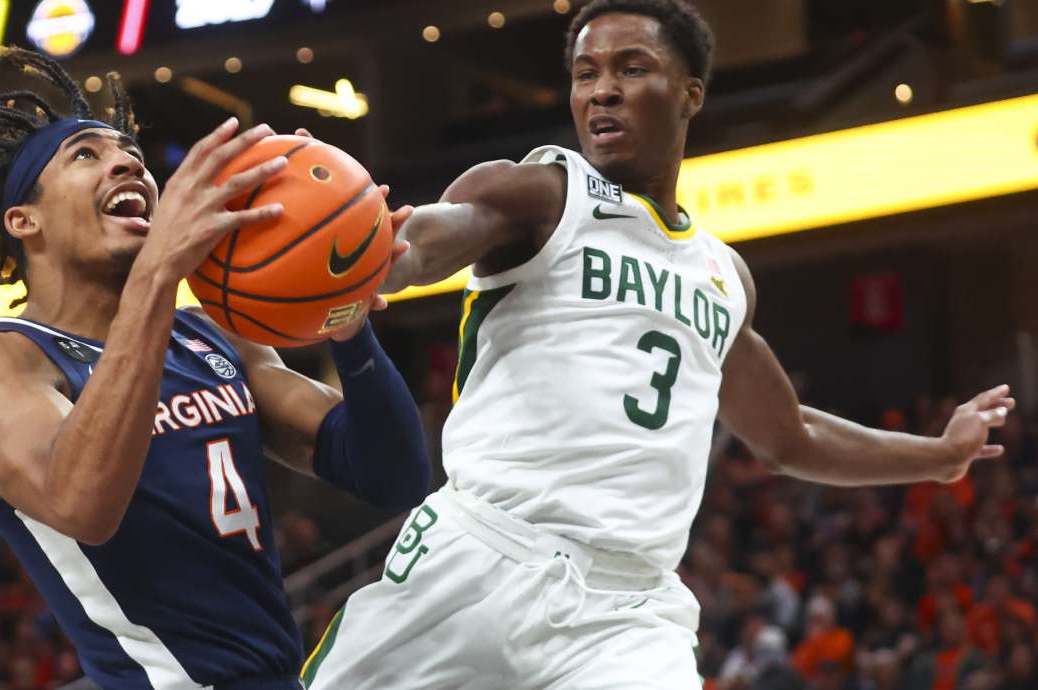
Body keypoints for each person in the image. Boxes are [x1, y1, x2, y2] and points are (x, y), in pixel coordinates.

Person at [300, 1, 1015, 688]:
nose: (602, 91)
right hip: (483, 554)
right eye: (586, 74)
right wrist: (378, 254)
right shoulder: (541, 195)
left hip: (628, 610)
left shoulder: (723, 275)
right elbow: (435, 234)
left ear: (690, 93)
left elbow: (788, 435)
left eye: (631, 69)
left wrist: (941, 456)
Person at [0, 47, 430, 690]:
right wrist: (157, 274)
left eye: (130, 153)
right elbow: (80, 505)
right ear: (25, 220)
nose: (127, 161)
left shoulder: (209, 335)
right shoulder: (0, 363)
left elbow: (393, 474)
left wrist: (346, 325)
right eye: (86, 156)